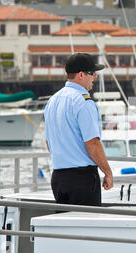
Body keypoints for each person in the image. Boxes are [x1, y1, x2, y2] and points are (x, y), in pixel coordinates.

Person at [44, 53, 113, 207]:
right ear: (81, 75)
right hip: (82, 178)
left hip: (58, 177)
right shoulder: (83, 102)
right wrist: (107, 172)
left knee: (65, 227)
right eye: (92, 73)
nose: (94, 76)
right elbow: (93, 143)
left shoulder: (52, 101)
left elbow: (49, 142)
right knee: (85, 227)